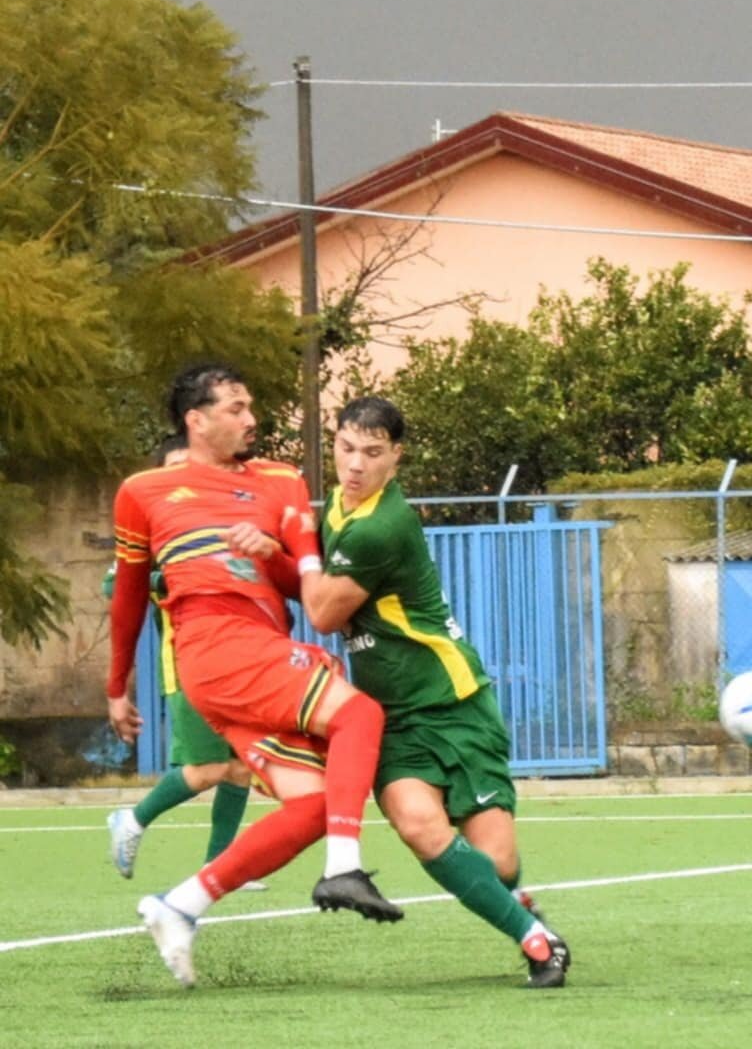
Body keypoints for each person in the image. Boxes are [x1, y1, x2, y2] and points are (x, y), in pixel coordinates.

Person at [235, 396, 570, 989]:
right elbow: (328, 591)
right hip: (391, 716)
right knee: (419, 825)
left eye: (372, 452)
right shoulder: (340, 505)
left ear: (396, 455)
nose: (355, 464)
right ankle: (538, 941)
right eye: (345, 448)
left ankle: (521, 908)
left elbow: (323, 614)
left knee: (496, 865)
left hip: (452, 701)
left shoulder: (382, 525)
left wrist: (294, 554)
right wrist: (280, 558)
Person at [107, 363, 403, 987]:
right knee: (360, 713)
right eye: (236, 408)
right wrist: (116, 687)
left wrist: (274, 555)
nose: (251, 419)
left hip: (256, 646)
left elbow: (310, 588)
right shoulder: (143, 490)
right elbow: (129, 595)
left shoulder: (282, 480)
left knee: (318, 803)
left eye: (250, 407)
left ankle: (181, 904)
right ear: (197, 420)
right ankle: (344, 866)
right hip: (214, 644)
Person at [103, 435, 265, 891]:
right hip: (188, 667)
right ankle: (131, 819)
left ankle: (220, 865)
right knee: (211, 769)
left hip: (235, 663)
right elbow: (114, 588)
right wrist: (165, 575)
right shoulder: (151, 527)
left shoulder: (213, 521)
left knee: (241, 767)